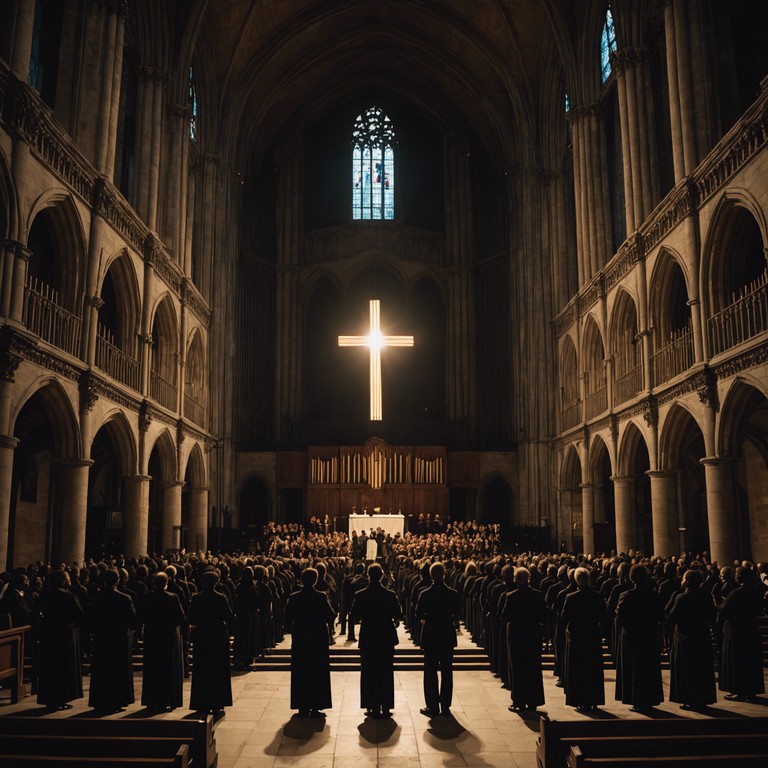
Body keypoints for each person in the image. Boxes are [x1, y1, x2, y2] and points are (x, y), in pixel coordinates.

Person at [349, 562, 402, 718]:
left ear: (368, 575)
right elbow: (397, 614)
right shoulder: (390, 594)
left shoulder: (360, 595)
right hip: (385, 637)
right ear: (381, 576)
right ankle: (385, 705)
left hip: (368, 637)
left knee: (369, 671)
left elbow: (354, 617)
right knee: (386, 671)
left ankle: (371, 705)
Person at [284, 567, 336, 717]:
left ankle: (302, 704)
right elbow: (331, 616)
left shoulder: (294, 597)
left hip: (301, 636)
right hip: (317, 637)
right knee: (317, 669)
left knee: (301, 670)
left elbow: (287, 619)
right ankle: (316, 703)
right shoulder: (320, 596)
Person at [614, 564, 664, 712]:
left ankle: (635, 699)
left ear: (631, 577)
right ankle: (649, 699)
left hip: (631, 637)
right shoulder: (653, 595)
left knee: (633, 668)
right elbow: (660, 615)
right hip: (649, 636)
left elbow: (620, 616)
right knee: (648, 668)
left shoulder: (627, 595)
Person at [666, 569, 716, 710]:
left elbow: (671, 616)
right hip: (702, 636)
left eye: (682, 578)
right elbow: (712, 616)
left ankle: (690, 699)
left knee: (687, 670)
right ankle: (703, 699)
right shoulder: (706, 596)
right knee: (702, 669)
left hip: (685, 637)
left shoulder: (681, 597)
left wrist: (672, 600)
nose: (681, 580)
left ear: (687, 582)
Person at [88, 568, 136, 713]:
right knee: (118, 669)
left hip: (102, 638)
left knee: (102, 669)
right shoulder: (125, 598)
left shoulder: (97, 597)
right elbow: (133, 620)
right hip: (119, 639)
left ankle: (100, 700)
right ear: (118, 581)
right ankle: (117, 700)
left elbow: (91, 618)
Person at [415, 561, 460, 717]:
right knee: (447, 671)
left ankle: (432, 706)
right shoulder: (452, 593)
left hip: (431, 634)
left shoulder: (425, 593)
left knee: (430, 671)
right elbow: (456, 612)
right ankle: (445, 706)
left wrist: (429, 617)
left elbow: (419, 614)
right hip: (446, 634)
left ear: (431, 576)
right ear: (444, 575)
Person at [138, 571, 186, 712]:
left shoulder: (147, 598)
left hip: (153, 636)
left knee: (152, 668)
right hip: (169, 637)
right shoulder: (172, 597)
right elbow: (181, 618)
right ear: (167, 583)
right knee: (168, 668)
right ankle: (167, 699)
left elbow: (141, 616)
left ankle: (151, 700)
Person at [36, 569, 84, 710]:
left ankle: (49, 699)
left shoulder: (44, 595)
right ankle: (60, 699)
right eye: (68, 579)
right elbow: (80, 615)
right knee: (63, 668)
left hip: (49, 635)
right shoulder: (68, 596)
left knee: (49, 668)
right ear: (64, 581)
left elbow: (38, 612)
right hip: (64, 636)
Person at [717, 566, 765, 702]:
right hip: (751, 630)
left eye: (737, 574)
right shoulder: (755, 592)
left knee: (737, 661)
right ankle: (751, 691)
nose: (735, 576)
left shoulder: (736, 593)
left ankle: (739, 691)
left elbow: (723, 610)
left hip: (736, 630)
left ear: (740, 577)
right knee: (751, 661)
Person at [500, 566, 546, 711]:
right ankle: (533, 701)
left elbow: (504, 616)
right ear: (528, 579)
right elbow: (543, 616)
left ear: (515, 579)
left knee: (518, 668)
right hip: (532, 636)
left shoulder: (511, 596)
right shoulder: (538, 595)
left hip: (517, 636)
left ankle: (518, 701)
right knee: (533, 668)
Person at [188, 570, 233, 714]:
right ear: (217, 582)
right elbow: (229, 617)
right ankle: (217, 701)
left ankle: (202, 702)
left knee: (202, 669)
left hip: (202, 636)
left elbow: (191, 619)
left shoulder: (196, 598)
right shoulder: (221, 598)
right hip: (218, 636)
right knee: (218, 669)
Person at [562, 566, 605, 712]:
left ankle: (580, 699)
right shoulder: (597, 596)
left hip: (577, 636)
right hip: (592, 635)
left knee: (578, 669)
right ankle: (593, 699)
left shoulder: (571, 597)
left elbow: (564, 617)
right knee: (593, 669)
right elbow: (603, 617)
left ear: (576, 580)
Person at [233, 566, 264, 668]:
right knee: (251, 638)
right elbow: (259, 602)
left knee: (242, 637)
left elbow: (235, 602)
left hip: (241, 615)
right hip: (251, 616)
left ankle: (239, 658)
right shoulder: (253, 588)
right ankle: (249, 659)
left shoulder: (239, 587)